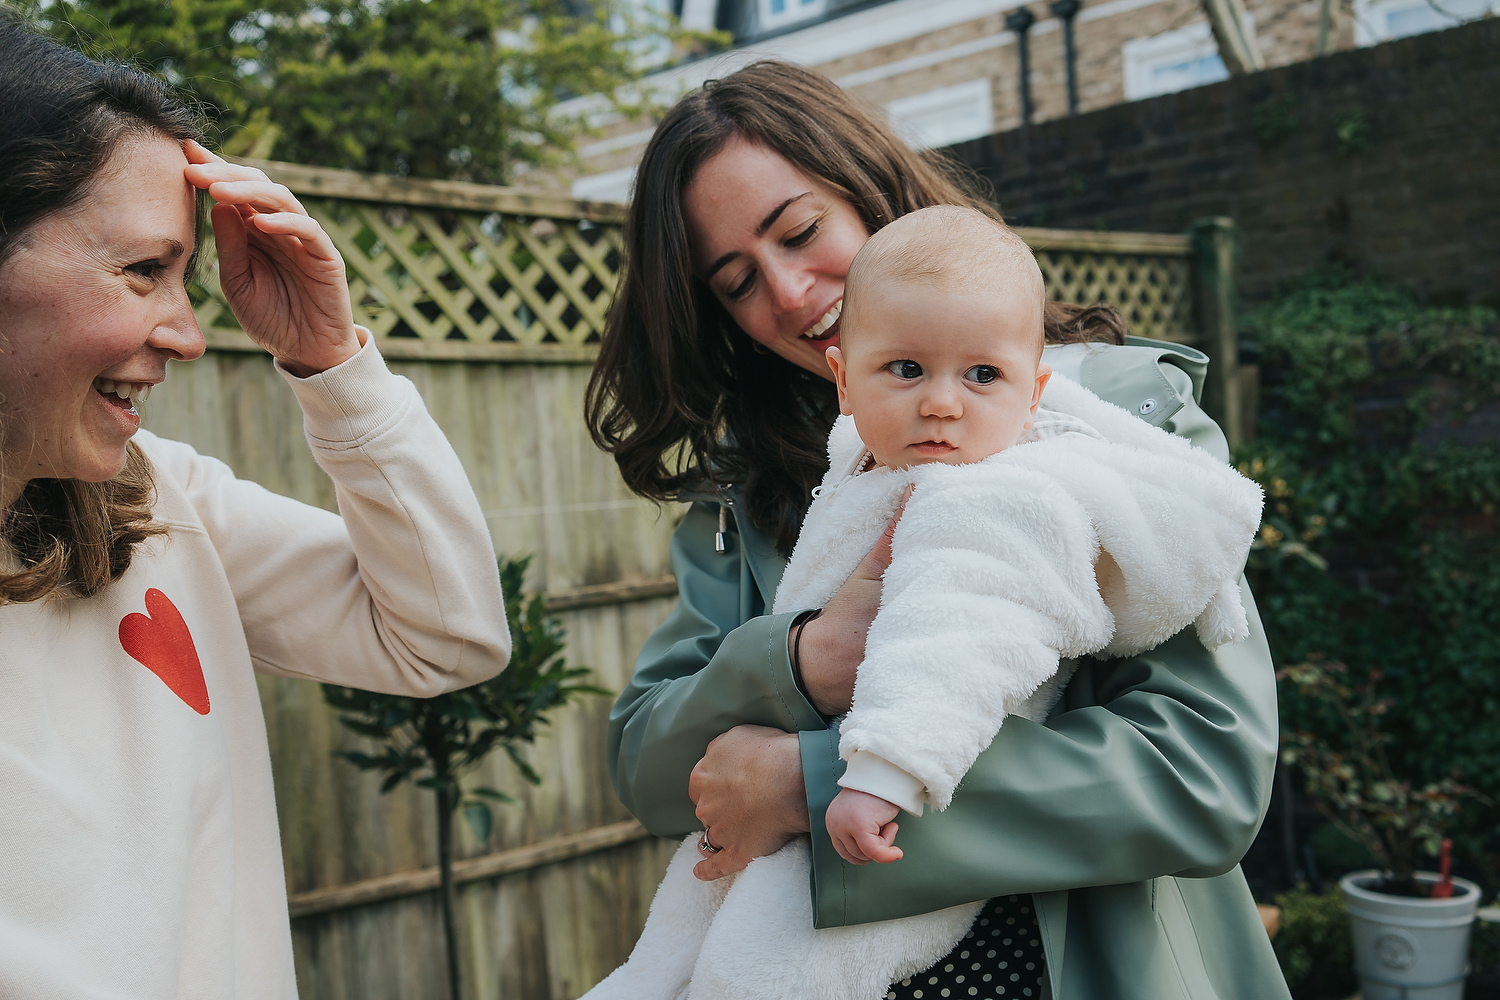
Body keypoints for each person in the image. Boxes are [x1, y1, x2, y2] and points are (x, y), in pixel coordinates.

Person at [585, 61, 1291, 999]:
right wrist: (797, 664)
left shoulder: (1113, 430)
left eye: (799, 231)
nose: (791, 292)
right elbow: (646, 761)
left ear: (869, 186)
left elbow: (1202, 773)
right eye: (738, 282)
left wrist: (821, 782)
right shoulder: (743, 498)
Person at [0, 15, 511, 998]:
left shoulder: (162, 502)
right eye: (145, 270)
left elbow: (446, 636)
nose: (191, 333)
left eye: (187, 277)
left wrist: (330, 358)